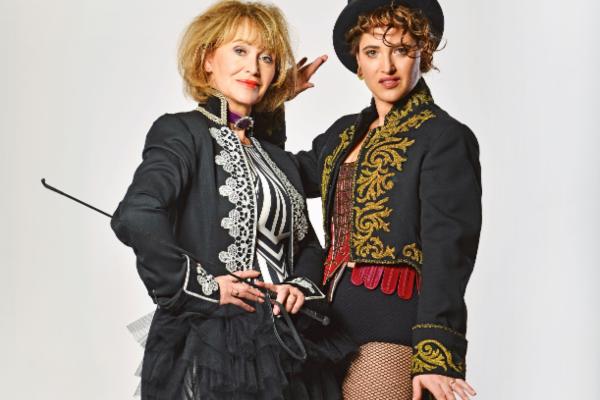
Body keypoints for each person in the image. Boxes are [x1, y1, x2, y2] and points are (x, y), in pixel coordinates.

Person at [111, 1, 352, 399]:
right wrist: (204, 287)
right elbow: (137, 214)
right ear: (208, 59)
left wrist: (298, 285)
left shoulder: (275, 157)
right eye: (240, 50)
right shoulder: (182, 133)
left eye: (266, 58)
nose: (253, 67)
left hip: (289, 344)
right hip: (211, 344)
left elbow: (306, 243)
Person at [294, 1, 482, 399]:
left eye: (401, 49)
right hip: (324, 325)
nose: (387, 66)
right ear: (358, 63)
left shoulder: (443, 137)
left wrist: (435, 353)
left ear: (423, 53)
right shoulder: (341, 135)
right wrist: (275, 101)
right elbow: (279, 175)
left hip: (391, 324)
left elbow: (449, 249)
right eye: (372, 52)